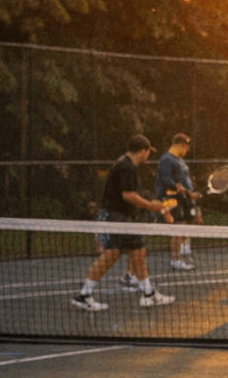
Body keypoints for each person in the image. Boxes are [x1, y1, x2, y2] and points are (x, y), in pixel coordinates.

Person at [71, 134, 177, 311]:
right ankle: (148, 295)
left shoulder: (124, 163)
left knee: (116, 255)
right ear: (142, 151)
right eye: (148, 151)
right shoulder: (127, 167)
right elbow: (128, 195)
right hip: (121, 219)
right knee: (137, 254)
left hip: (118, 218)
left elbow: (133, 192)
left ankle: (84, 295)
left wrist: (152, 203)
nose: (148, 155)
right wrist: (151, 206)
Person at [157, 132, 199, 270]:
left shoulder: (179, 159)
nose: (187, 148)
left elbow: (183, 181)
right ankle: (176, 260)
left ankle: (180, 254)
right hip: (171, 199)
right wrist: (179, 188)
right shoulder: (167, 159)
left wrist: (189, 193)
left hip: (182, 199)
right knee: (176, 228)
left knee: (185, 224)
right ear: (179, 145)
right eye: (186, 145)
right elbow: (166, 180)